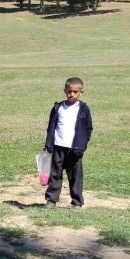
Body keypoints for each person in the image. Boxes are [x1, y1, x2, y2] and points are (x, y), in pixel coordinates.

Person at [43, 77, 93, 209]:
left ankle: (76, 202)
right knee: (55, 174)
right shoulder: (58, 108)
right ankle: (51, 200)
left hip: (75, 149)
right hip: (58, 147)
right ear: (65, 91)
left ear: (81, 92)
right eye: (69, 91)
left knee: (75, 176)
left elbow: (88, 129)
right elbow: (51, 127)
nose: (72, 94)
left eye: (75, 92)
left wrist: (83, 144)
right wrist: (49, 144)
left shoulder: (83, 109)